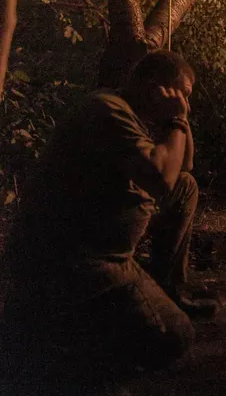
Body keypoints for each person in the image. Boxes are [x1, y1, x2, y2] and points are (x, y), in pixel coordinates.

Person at [2, 50, 215, 372]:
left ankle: (166, 287)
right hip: (75, 261)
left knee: (186, 186)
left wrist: (178, 120)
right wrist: (175, 120)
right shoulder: (108, 111)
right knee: (175, 335)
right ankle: (53, 338)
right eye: (182, 95)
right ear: (155, 88)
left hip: (105, 251)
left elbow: (183, 167)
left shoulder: (136, 115)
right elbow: (161, 178)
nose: (185, 104)